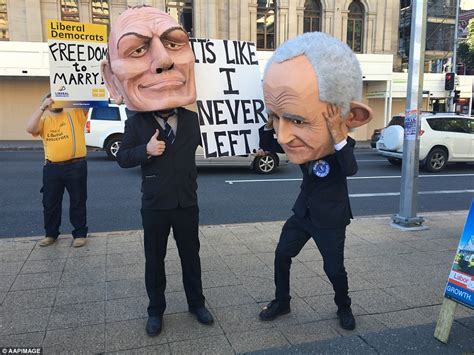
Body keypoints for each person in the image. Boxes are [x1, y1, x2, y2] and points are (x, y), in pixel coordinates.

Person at [101, 5, 213, 337]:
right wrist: (145, 151)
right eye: (137, 49)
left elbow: (220, 140)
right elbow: (123, 157)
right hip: (155, 205)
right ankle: (156, 311)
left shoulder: (192, 119)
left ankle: (197, 304)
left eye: (174, 44)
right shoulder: (136, 122)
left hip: (186, 203)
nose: (162, 62)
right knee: (156, 262)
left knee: (191, 258)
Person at [258, 32, 373, 331]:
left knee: (334, 269)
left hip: (331, 219)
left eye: (297, 120)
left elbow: (351, 169)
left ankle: (344, 308)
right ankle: (282, 301)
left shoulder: (337, 147)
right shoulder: (302, 144)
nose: (286, 133)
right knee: (282, 254)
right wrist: (271, 119)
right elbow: (274, 143)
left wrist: (337, 135)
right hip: (304, 213)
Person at [26, 94, 88, 248]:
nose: (55, 102)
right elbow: (30, 128)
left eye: (57, 98)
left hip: (76, 165)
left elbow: (87, 98)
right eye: (51, 100)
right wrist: (42, 107)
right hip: (52, 168)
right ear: (46, 104)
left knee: (78, 201)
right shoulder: (44, 121)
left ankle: (80, 234)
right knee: (50, 203)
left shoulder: (75, 114)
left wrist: (70, 93)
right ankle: (51, 234)